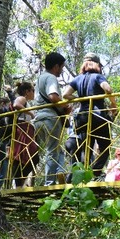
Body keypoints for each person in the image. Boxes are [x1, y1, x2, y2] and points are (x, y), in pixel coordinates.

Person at [63, 52, 118, 180]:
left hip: (82, 117)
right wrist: (113, 104)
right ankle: (95, 171)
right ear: (97, 64)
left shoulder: (78, 79)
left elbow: (65, 94)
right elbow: (108, 89)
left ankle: (83, 176)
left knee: (85, 148)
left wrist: (80, 99)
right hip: (98, 115)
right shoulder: (98, 77)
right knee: (105, 145)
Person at [34, 52, 70, 186]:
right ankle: (49, 183)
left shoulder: (39, 78)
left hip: (38, 118)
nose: (62, 70)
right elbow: (53, 97)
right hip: (50, 117)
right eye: (62, 67)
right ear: (56, 66)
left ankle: (59, 173)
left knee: (57, 150)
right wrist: (65, 106)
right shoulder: (51, 77)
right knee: (52, 150)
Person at [10, 82, 39, 188]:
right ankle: (18, 184)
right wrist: (30, 113)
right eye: (33, 90)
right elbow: (16, 104)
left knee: (31, 157)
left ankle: (19, 183)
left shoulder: (26, 101)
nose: (34, 93)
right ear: (27, 91)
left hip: (27, 130)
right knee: (22, 156)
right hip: (23, 129)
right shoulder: (22, 98)